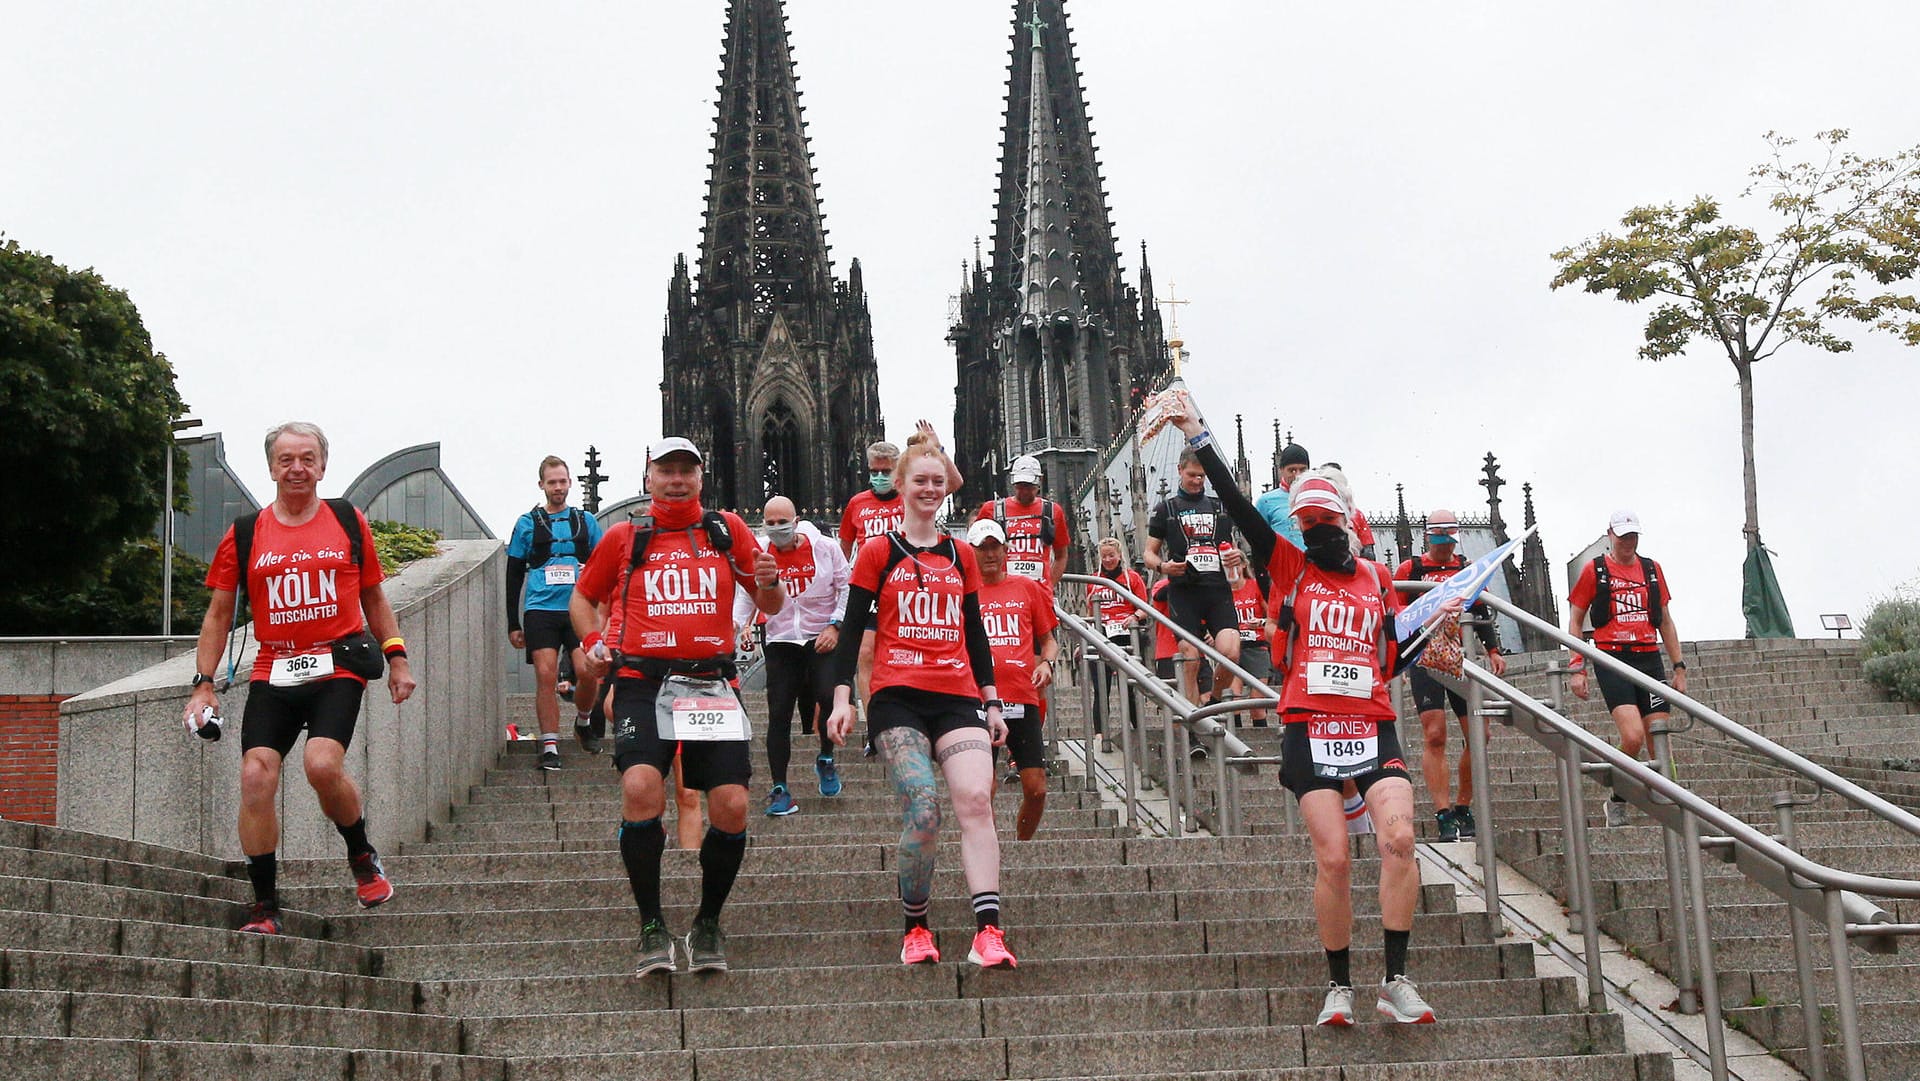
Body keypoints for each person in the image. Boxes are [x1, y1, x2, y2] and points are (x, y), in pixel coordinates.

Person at [1167, 390, 1460, 1027]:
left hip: (1372, 721)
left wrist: (1436, 620)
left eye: (1326, 523)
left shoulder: (1377, 579)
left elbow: (1387, 656)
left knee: (1401, 839)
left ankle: (1397, 979)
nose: (1317, 533)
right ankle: (1339, 984)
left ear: (1350, 523)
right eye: (1308, 525)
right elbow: (1243, 510)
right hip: (1310, 725)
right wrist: (1197, 435)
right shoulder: (1290, 566)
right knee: (1332, 857)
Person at [183, 422, 416, 935]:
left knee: (320, 763)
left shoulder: (346, 520)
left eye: (307, 458)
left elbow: (375, 596)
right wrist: (203, 682)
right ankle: (265, 905)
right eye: (286, 459)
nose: (297, 468)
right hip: (275, 667)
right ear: (271, 468)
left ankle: (360, 854)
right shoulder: (245, 533)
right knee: (255, 775)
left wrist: (397, 659)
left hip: (337, 664)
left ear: (322, 466)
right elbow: (219, 615)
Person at [571, 437, 784, 975]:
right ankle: (651, 925)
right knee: (641, 787)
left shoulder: (726, 530)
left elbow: (771, 605)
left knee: (732, 805)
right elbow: (582, 596)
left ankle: (708, 921)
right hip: (643, 680)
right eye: (666, 470)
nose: (676, 480)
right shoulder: (625, 536)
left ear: (700, 477)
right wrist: (593, 644)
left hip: (710, 682)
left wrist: (769, 583)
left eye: (686, 471)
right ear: (649, 478)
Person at [825, 440, 1018, 969]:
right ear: (903, 487)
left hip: (957, 696)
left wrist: (993, 700)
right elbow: (850, 633)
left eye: (938, 482)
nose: (930, 490)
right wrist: (843, 695)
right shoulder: (877, 552)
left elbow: (975, 632)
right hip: (897, 697)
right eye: (920, 482)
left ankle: (988, 932)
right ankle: (916, 926)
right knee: (924, 809)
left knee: (977, 800)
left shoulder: (960, 554)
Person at [1566, 510, 1688, 827]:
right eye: (1623, 536)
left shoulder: (1651, 569)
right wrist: (1577, 667)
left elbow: (1665, 620)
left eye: (1633, 536)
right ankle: (1619, 795)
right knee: (1632, 737)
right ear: (1610, 535)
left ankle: (1668, 800)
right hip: (1612, 658)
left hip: (1648, 658)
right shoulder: (1595, 571)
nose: (1628, 542)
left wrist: (1679, 666)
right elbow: (1576, 621)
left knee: (1659, 739)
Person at [1392, 509, 1507, 841]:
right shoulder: (1410, 569)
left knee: (1479, 736)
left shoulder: (1466, 568)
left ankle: (1463, 805)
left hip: (1461, 656)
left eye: (1449, 539)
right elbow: (1398, 613)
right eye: (1439, 539)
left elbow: (1481, 610)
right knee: (1434, 734)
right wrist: (1396, 660)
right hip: (1425, 658)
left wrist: (1493, 649)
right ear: (1428, 537)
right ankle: (1443, 812)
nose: (1444, 547)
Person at [734, 496, 850, 815]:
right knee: (779, 712)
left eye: (782, 522)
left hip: (820, 636)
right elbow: (747, 591)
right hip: (782, 640)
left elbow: (846, 586)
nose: (776, 529)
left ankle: (826, 757)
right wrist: (739, 626)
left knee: (827, 696)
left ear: (796, 521)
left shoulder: (825, 547)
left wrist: (835, 625)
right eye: (769, 523)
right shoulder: (760, 552)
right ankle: (780, 787)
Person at [506, 456, 606, 769]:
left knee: (588, 670)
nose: (558, 487)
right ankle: (549, 745)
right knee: (545, 674)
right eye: (552, 482)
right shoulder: (526, 523)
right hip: (540, 609)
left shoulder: (585, 521)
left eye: (562, 481)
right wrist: (512, 621)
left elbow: (604, 566)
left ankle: (583, 720)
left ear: (570, 483)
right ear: (542, 485)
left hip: (578, 608)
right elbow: (513, 574)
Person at [969, 518, 1060, 840]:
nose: (990, 554)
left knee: (1036, 789)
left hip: (1023, 696)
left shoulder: (1027, 588)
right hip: (978, 701)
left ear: (1006, 550)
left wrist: (1047, 663)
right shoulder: (963, 592)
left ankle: (1022, 845)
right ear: (972, 552)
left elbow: (1048, 639)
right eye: (982, 548)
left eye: (995, 547)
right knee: (984, 791)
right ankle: (989, 853)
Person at [1145, 448, 1242, 710]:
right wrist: (1164, 567)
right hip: (1185, 591)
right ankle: (1192, 719)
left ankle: (1214, 701)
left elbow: (1230, 547)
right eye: (1192, 475)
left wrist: (1236, 557)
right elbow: (1148, 554)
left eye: (1202, 476)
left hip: (1217, 590)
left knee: (1231, 652)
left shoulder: (1219, 507)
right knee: (1190, 657)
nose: (1197, 481)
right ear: (1180, 471)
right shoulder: (1165, 509)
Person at [841, 440, 905, 756]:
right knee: (865, 655)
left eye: (885, 471)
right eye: (874, 471)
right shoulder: (857, 504)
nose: (879, 476)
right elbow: (844, 545)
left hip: (903, 588)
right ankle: (874, 727)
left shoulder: (909, 499)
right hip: (869, 587)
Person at [1084, 537, 1148, 749]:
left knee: (1129, 685)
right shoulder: (1094, 581)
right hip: (1100, 636)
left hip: (1125, 635)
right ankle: (1100, 733)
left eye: (1112, 555)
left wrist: (1134, 618)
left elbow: (1143, 606)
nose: (1108, 559)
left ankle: (1137, 728)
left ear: (1120, 555)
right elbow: (1088, 611)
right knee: (1101, 687)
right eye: (1104, 556)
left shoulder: (1133, 578)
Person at [975, 454, 1071, 590]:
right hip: (1003, 591)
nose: (1024, 491)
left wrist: (1048, 586)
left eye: (1029, 486)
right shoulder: (991, 510)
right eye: (1020, 486)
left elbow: (1061, 555)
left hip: (1038, 592)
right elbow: (975, 551)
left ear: (1039, 482)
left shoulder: (1053, 511)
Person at [1224, 548, 1273, 727]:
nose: (1231, 570)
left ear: (1243, 565)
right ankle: (1237, 744)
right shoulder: (1223, 592)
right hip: (1234, 649)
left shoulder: (1255, 586)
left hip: (1257, 646)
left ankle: (1263, 737)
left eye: (1235, 565)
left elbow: (1272, 618)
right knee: (1234, 698)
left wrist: (1259, 622)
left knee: (1256, 701)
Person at [1253, 442, 1311, 546]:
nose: (1297, 474)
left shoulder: (1316, 497)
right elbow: (1256, 539)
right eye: (1292, 470)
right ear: (1281, 470)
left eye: (1302, 470)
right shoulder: (1266, 502)